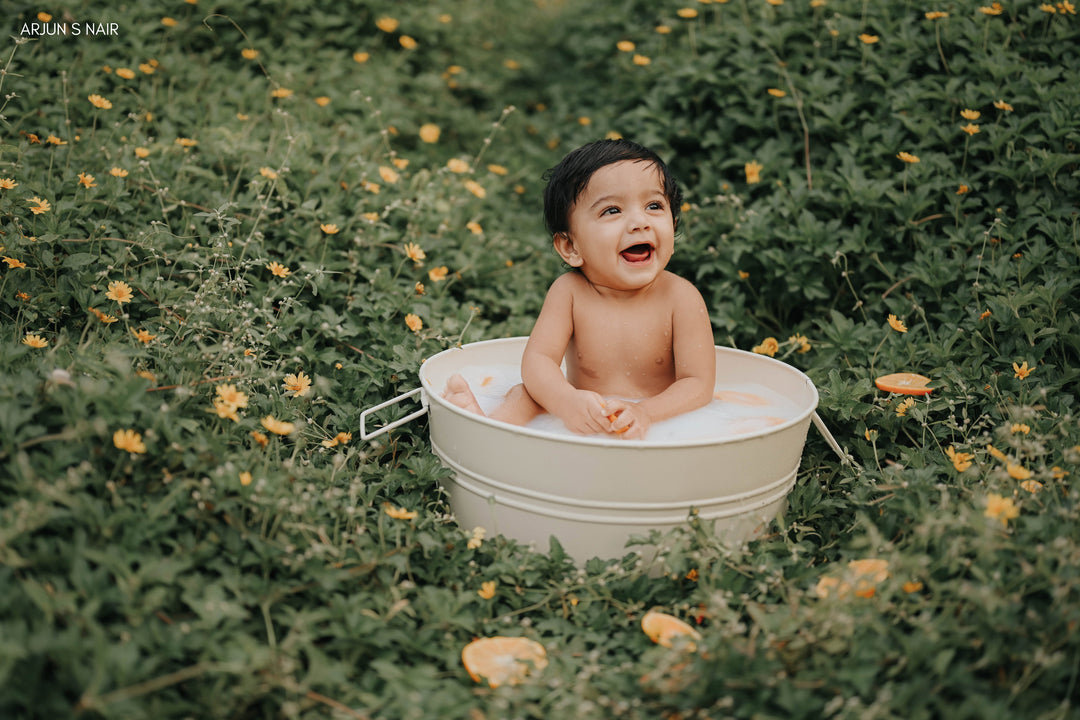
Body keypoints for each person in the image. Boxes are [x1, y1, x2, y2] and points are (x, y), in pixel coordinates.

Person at [443, 139, 715, 440]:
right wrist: (566, 402)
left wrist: (646, 413)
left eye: (654, 206)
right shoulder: (570, 292)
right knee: (526, 393)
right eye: (612, 211)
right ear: (571, 247)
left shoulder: (681, 297)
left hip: (658, 422)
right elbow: (538, 361)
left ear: (673, 223)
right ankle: (490, 431)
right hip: (581, 415)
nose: (640, 222)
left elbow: (697, 385)